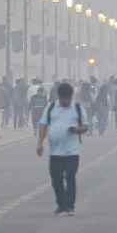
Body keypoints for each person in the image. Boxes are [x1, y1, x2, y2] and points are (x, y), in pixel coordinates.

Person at [37, 82, 87, 216]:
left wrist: (77, 129)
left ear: (71, 96)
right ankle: (61, 204)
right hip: (55, 152)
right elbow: (43, 124)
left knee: (70, 177)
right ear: (59, 96)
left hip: (72, 152)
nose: (66, 101)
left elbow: (85, 127)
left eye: (68, 99)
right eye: (63, 99)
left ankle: (70, 206)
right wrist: (40, 143)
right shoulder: (51, 107)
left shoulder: (77, 108)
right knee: (56, 179)